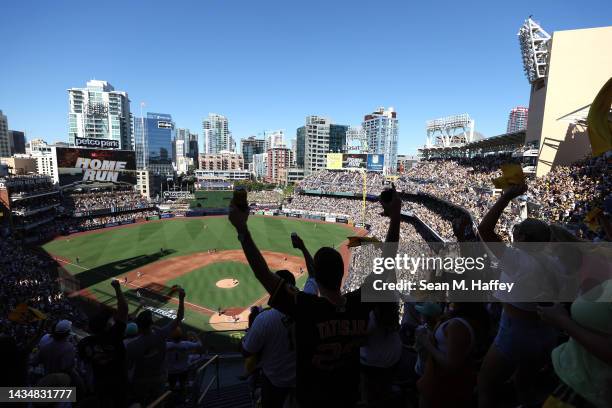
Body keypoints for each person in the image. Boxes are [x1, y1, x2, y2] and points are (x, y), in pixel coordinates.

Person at [228, 186, 401, 407]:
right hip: (347, 398)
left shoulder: (308, 308)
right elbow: (388, 263)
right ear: (341, 275)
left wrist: (242, 229)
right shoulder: (357, 305)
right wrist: (395, 216)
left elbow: (263, 274)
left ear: (316, 278)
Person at [477, 183, 560, 408]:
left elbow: (484, 230)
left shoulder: (520, 260)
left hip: (516, 331)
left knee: (485, 384)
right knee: (524, 383)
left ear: (522, 237)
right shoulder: (556, 262)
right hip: (546, 332)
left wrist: (506, 197)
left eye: (515, 235)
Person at [416, 303, 490, 408]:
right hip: (440, 384)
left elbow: (451, 365)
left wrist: (427, 343)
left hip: (441, 388)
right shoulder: (462, 319)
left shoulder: (457, 325)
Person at [242, 270, 297, 408]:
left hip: (273, 381)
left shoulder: (264, 318)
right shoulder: (307, 311)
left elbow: (247, 350)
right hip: (300, 378)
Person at [126, 286, 186, 405]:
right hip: (159, 378)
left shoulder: (131, 345)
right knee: (158, 402)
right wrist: (181, 299)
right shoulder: (161, 334)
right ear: (151, 323)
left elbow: (128, 367)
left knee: (142, 403)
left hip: (140, 380)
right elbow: (179, 318)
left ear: (138, 325)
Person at [77, 279, 129, 408]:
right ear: (106, 327)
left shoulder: (84, 344)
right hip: (119, 382)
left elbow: (86, 366)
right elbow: (124, 311)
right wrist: (117, 288)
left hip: (99, 384)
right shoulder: (114, 335)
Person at [166, 328, 203, 396]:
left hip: (171, 371)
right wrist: (195, 335)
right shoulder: (186, 344)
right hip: (183, 370)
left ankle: (171, 399)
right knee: (183, 385)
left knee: (171, 387)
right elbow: (199, 344)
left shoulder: (167, 345)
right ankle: (184, 399)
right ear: (181, 336)